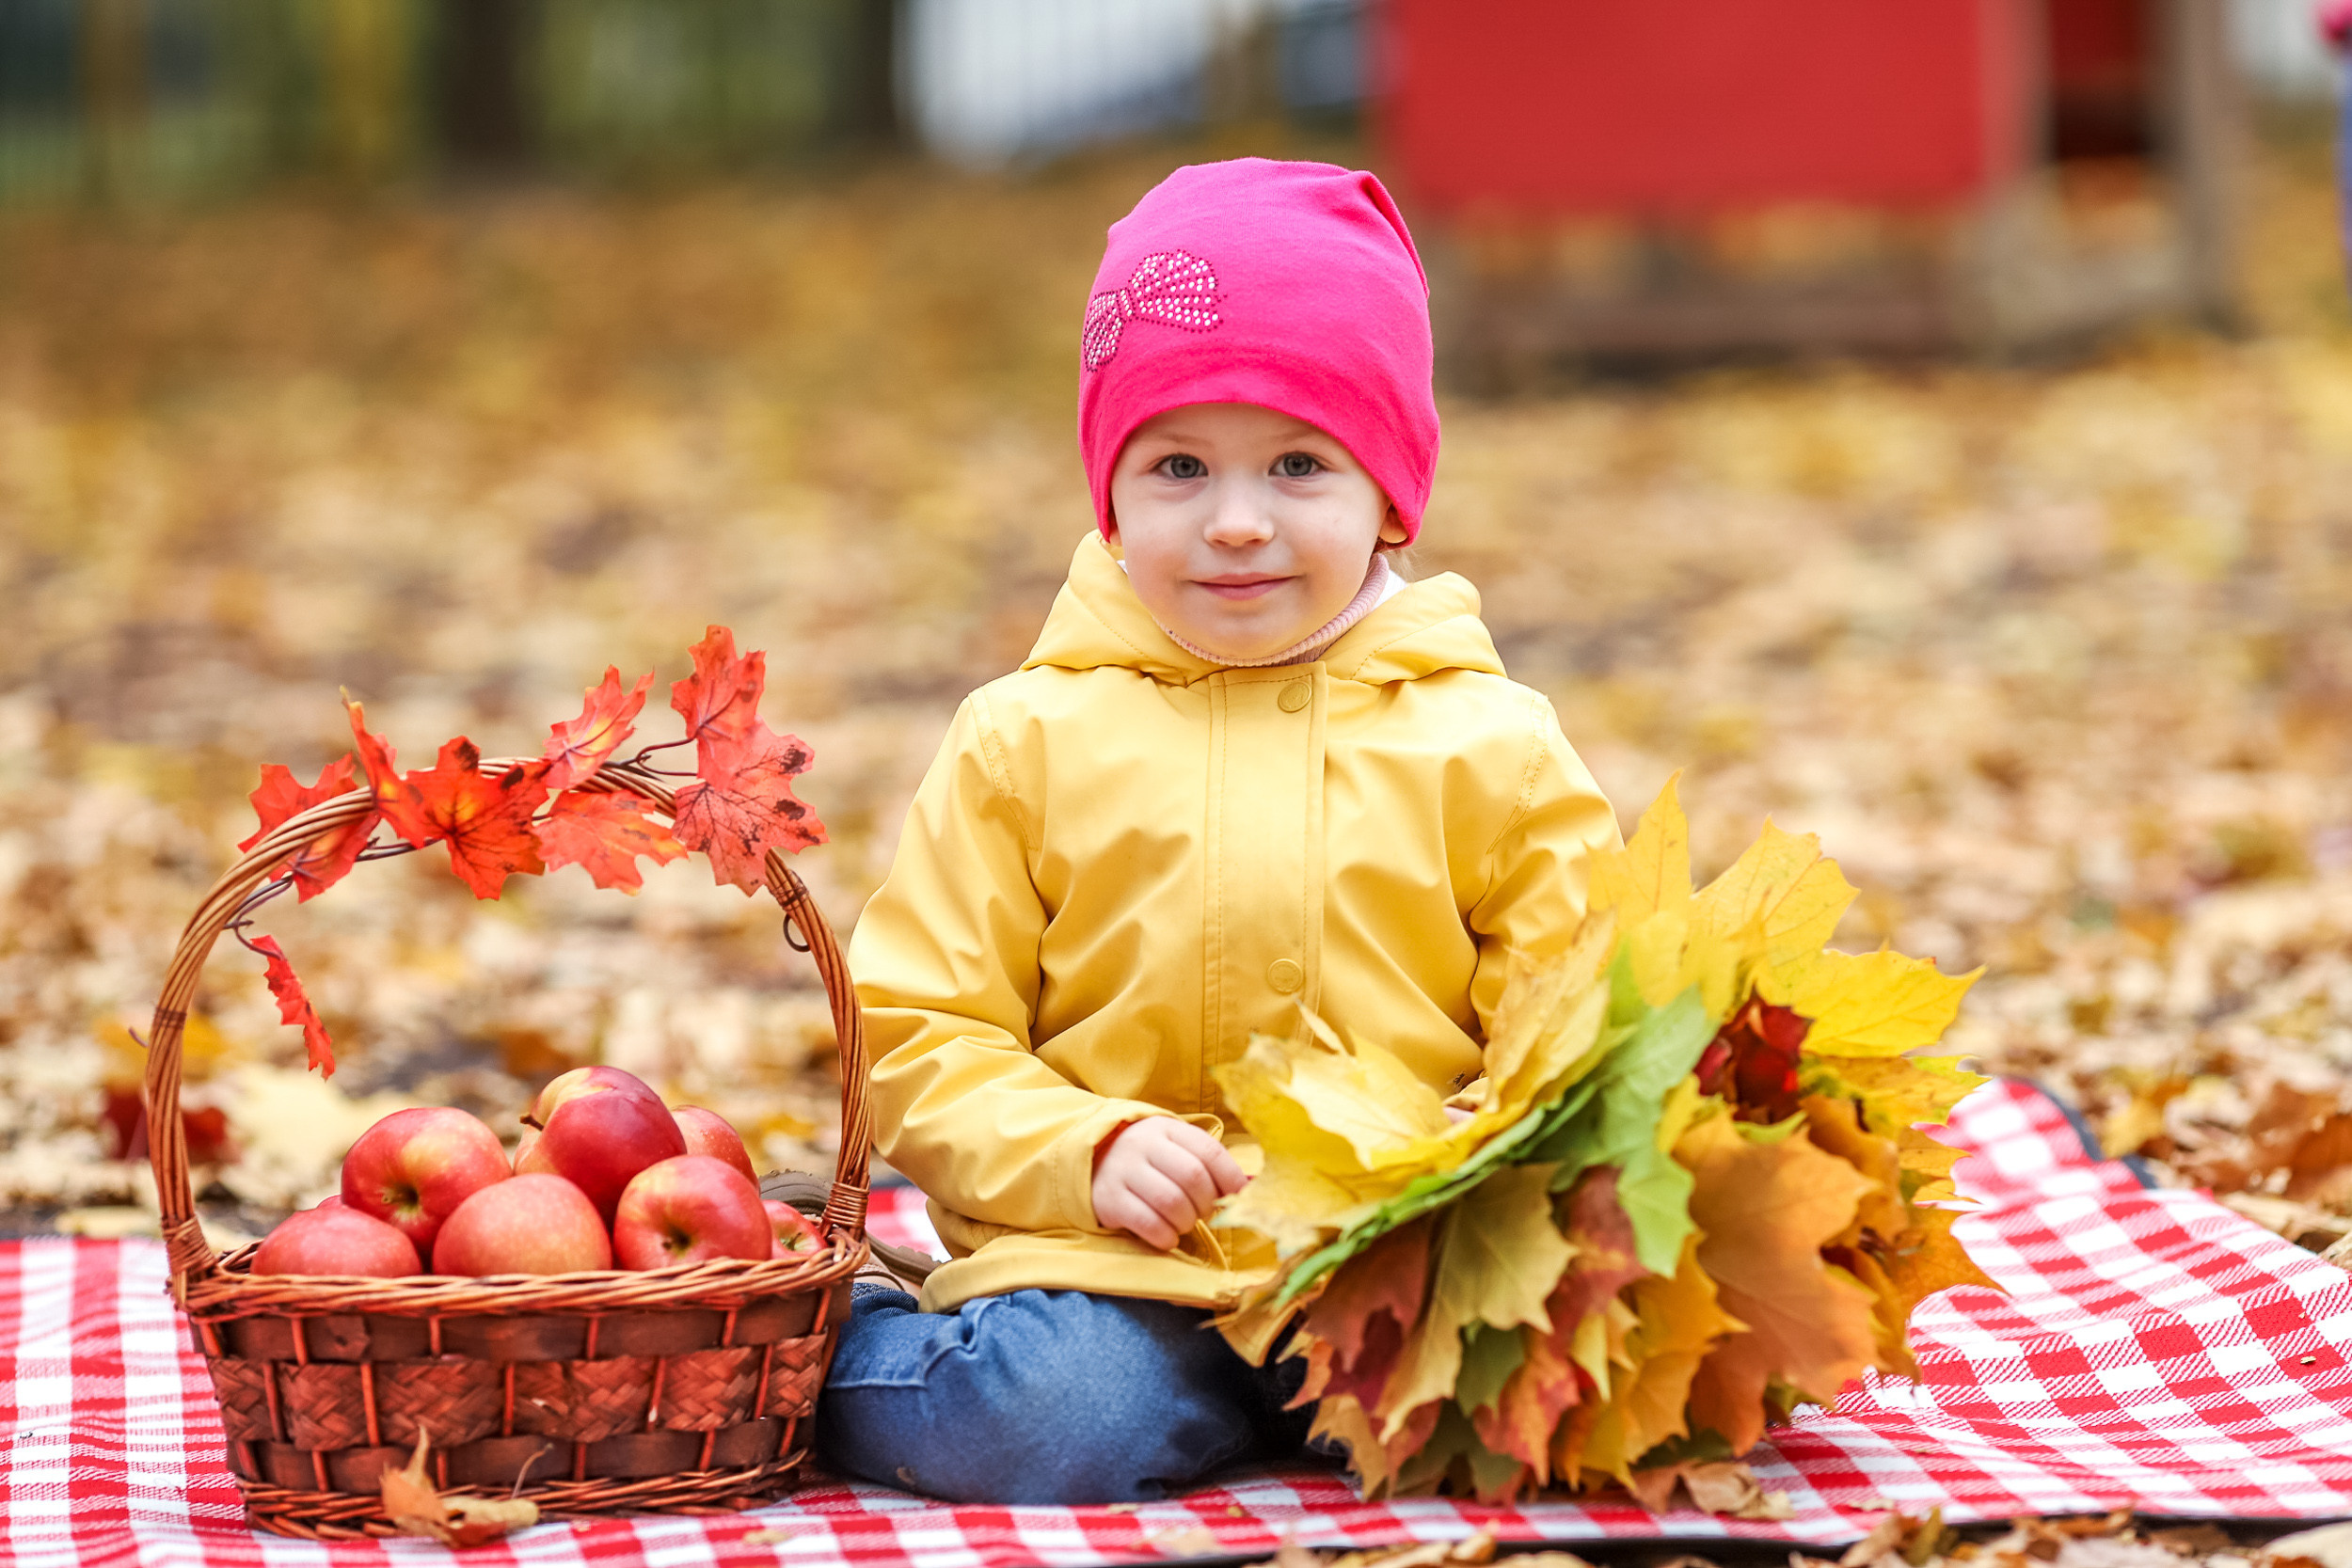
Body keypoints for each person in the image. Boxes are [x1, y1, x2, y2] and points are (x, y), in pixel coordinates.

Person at [814, 158, 1619, 1504]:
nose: (1237, 522)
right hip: (1113, 1271)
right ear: (1112, 493)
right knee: (1041, 1421)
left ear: (1390, 494)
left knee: (1557, 1416)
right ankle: (841, 1344)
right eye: (1179, 465)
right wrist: (1086, 1153)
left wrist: (1468, 1161)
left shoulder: (1491, 742)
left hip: (1394, 1263)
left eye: (1299, 464)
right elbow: (918, 1029)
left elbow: (1583, 1012)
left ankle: (1266, 1416)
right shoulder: (1028, 739)